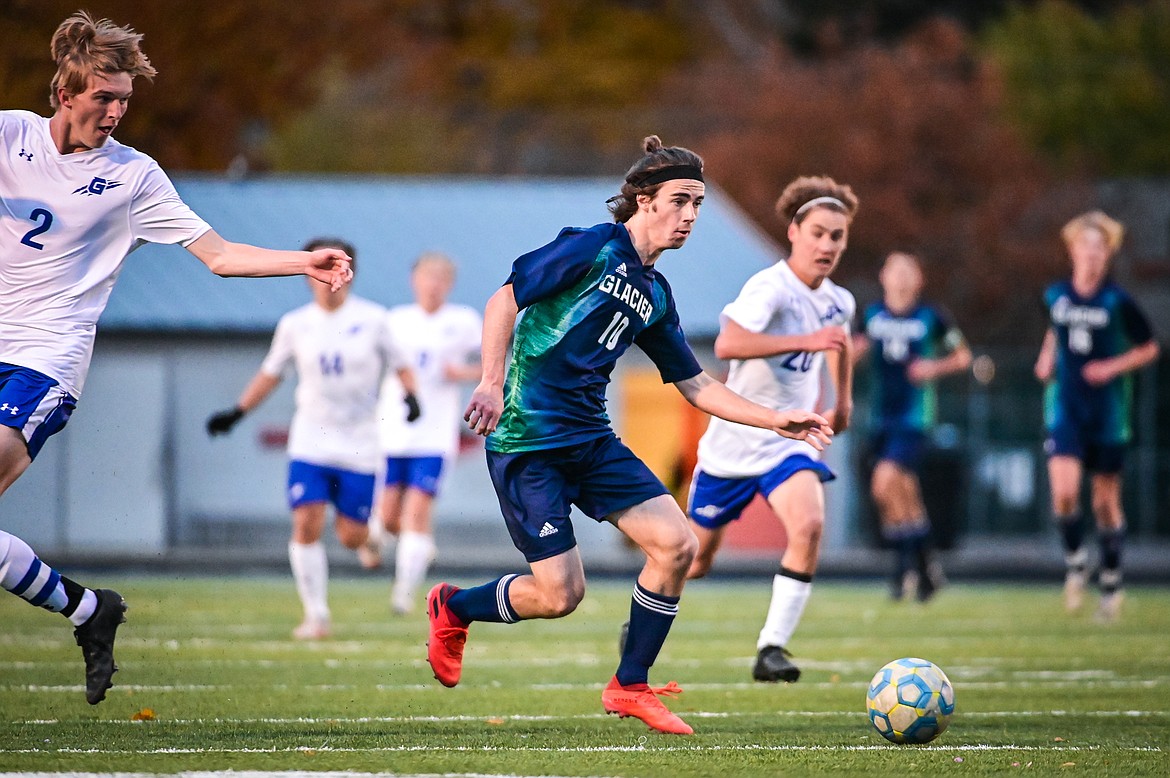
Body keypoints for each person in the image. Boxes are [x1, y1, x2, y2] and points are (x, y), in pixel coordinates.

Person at [425, 136, 833, 736]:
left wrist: (777, 418)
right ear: (644, 200)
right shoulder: (591, 247)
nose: (691, 216)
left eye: (698, 204)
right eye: (681, 201)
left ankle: (630, 685)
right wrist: (489, 380)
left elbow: (696, 387)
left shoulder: (655, 294)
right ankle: (453, 606)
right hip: (527, 443)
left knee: (677, 545)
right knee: (561, 595)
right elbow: (504, 299)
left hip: (591, 441)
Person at [0, 11, 352, 704]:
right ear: (65, 92)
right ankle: (87, 609)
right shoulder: (9, 134)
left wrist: (301, 261)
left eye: (125, 100)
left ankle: (87, 610)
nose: (116, 111)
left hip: (43, 362)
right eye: (104, 97)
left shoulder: (132, 178)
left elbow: (219, 257)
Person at [681, 176, 857, 685]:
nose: (827, 245)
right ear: (795, 232)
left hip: (790, 440)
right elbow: (730, 345)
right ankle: (644, 615)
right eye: (819, 233)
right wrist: (808, 338)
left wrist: (842, 400)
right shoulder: (769, 287)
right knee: (693, 560)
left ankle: (771, 649)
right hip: (734, 440)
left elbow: (837, 342)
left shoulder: (838, 300)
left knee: (808, 525)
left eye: (838, 237)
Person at [207, 238, 418, 639]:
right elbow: (272, 372)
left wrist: (413, 398)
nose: (329, 276)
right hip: (311, 440)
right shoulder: (295, 324)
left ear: (350, 272)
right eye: (323, 264)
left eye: (339, 264)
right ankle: (316, 616)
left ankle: (371, 537)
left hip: (359, 444)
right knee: (305, 522)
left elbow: (402, 364)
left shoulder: (374, 319)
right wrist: (237, 412)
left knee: (350, 535)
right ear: (308, 272)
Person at [1033, 211, 1158, 623]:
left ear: (1108, 254)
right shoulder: (1056, 296)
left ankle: (1112, 582)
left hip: (1107, 412)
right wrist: (1047, 357)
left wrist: (1111, 368)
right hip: (1066, 406)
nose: (1092, 254)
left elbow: (1149, 347)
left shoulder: (1117, 301)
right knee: (1064, 494)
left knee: (1105, 501)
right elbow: (1055, 330)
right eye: (1085, 246)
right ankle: (1075, 561)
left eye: (1099, 247)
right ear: (1072, 251)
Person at [359, 252, 482, 615]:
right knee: (388, 517)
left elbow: (493, 361)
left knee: (417, 514)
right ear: (414, 281)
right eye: (428, 278)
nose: (433, 286)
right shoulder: (394, 320)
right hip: (392, 430)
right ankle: (403, 546)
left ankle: (403, 592)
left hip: (433, 434)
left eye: (441, 279)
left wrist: (461, 372)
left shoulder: (462, 321)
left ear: (450, 284)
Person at [854, 251, 972, 602]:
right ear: (883, 277)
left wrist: (932, 368)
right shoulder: (872, 315)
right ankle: (926, 566)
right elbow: (852, 351)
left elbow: (963, 355)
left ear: (919, 279)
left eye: (909, 271)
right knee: (904, 497)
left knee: (884, 483)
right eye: (896, 270)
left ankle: (902, 571)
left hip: (913, 418)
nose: (902, 278)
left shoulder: (931, 317)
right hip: (880, 418)